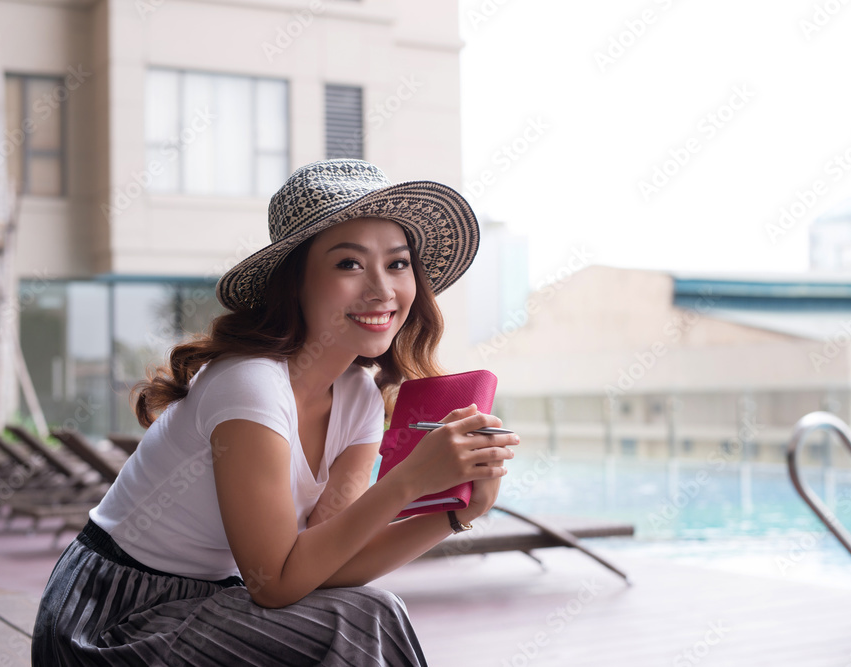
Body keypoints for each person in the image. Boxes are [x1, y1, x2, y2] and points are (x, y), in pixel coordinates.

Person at [31, 158, 518, 666]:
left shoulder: (359, 399)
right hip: (106, 620)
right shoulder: (249, 384)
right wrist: (408, 482)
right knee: (360, 618)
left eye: (397, 263)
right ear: (295, 283)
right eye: (349, 264)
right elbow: (276, 585)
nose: (382, 288)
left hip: (213, 608)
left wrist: (456, 513)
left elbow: (325, 565)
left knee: (368, 609)